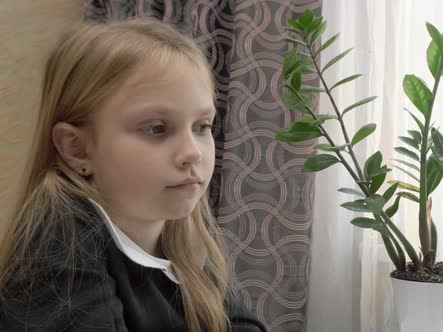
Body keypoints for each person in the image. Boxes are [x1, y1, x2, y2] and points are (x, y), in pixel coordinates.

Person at [0, 18, 266, 332]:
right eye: (156, 129)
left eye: (202, 127)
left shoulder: (183, 233)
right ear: (78, 150)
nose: (193, 152)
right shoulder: (57, 244)